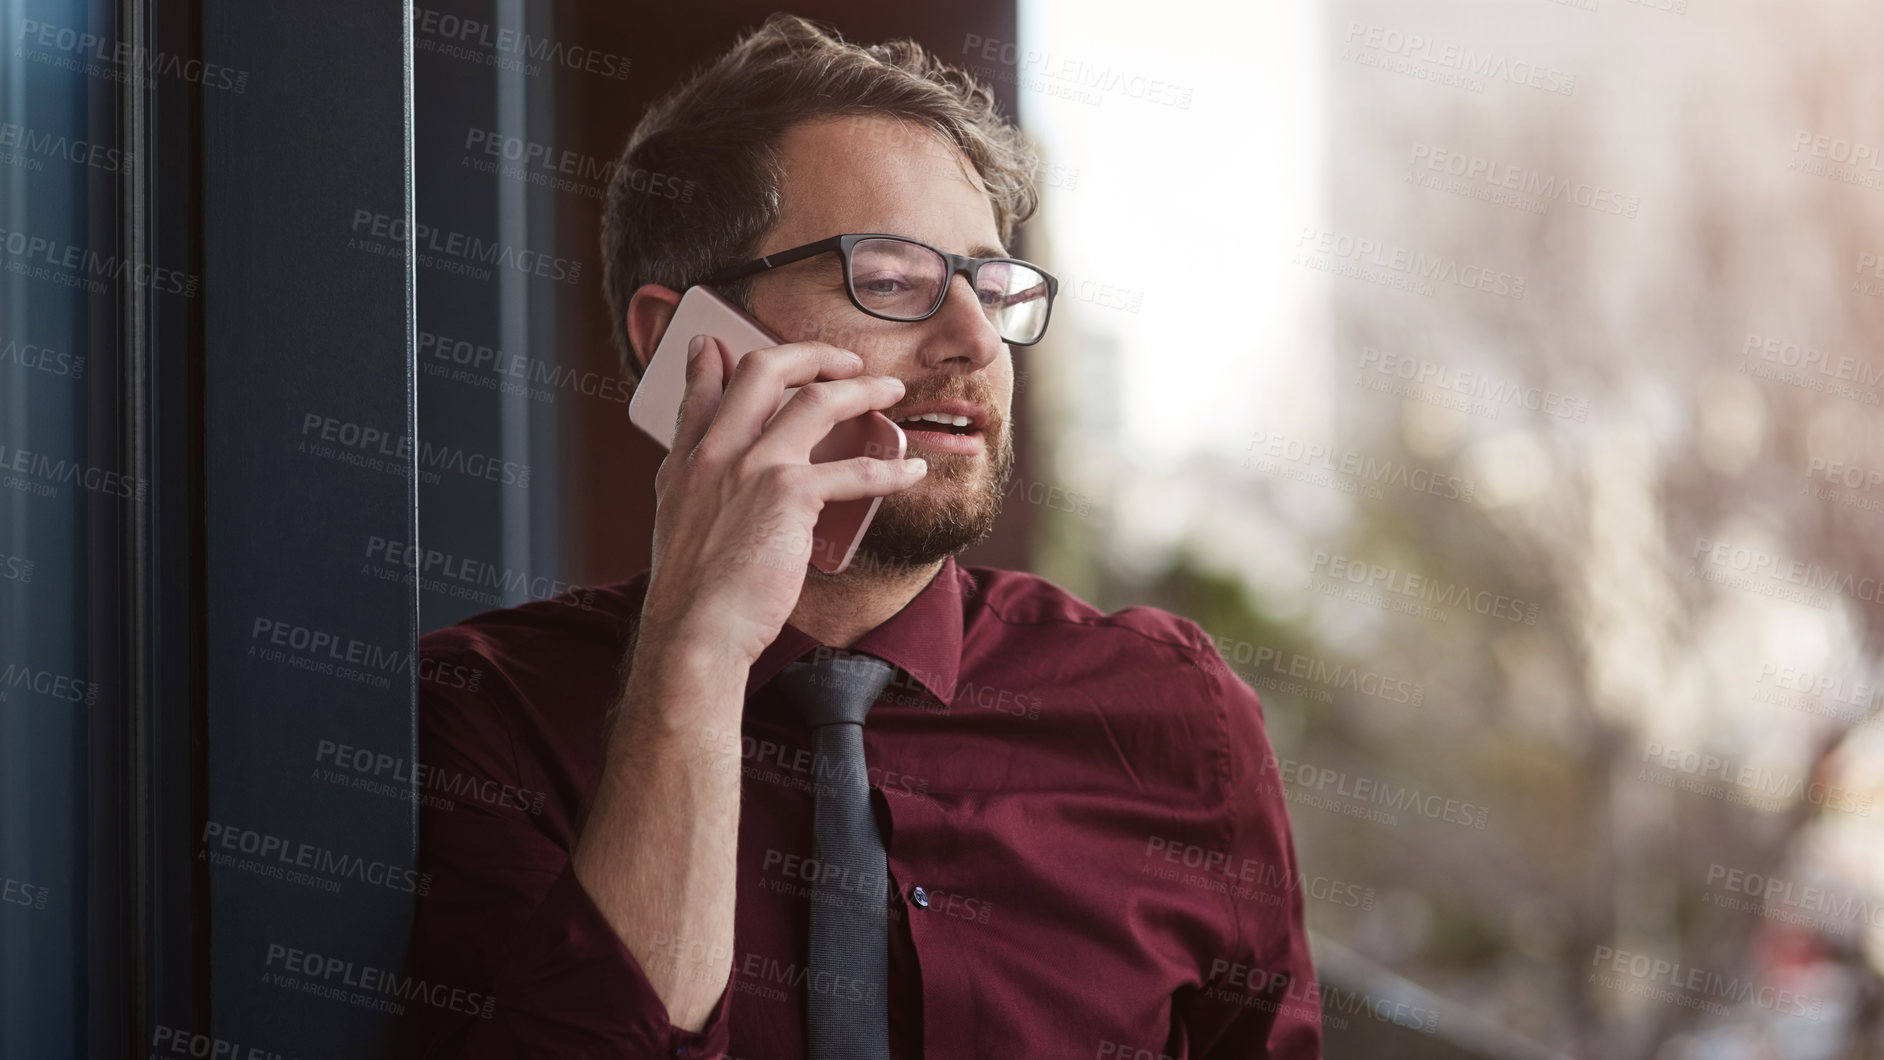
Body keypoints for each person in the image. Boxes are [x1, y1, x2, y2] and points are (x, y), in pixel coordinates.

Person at [410, 13, 1320, 1059]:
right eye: (889, 279)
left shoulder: (1174, 715)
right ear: (686, 346)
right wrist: (695, 659)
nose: (975, 340)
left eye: (990, 283)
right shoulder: (481, 721)